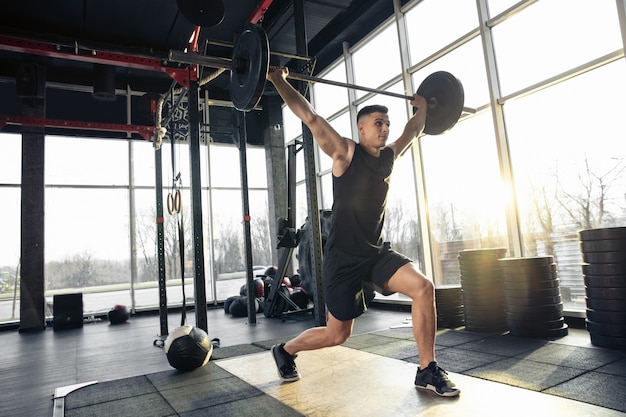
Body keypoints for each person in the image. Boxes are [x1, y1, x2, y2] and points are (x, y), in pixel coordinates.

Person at [267, 66, 460, 397]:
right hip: (342, 261)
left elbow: (413, 131)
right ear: (361, 129)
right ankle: (285, 351)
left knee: (423, 287)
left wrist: (424, 107)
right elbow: (311, 118)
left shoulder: (388, 158)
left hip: (374, 253)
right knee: (336, 335)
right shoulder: (344, 153)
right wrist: (278, 81)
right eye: (378, 124)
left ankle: (427, 369)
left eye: (387, 124)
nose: (385, 129)